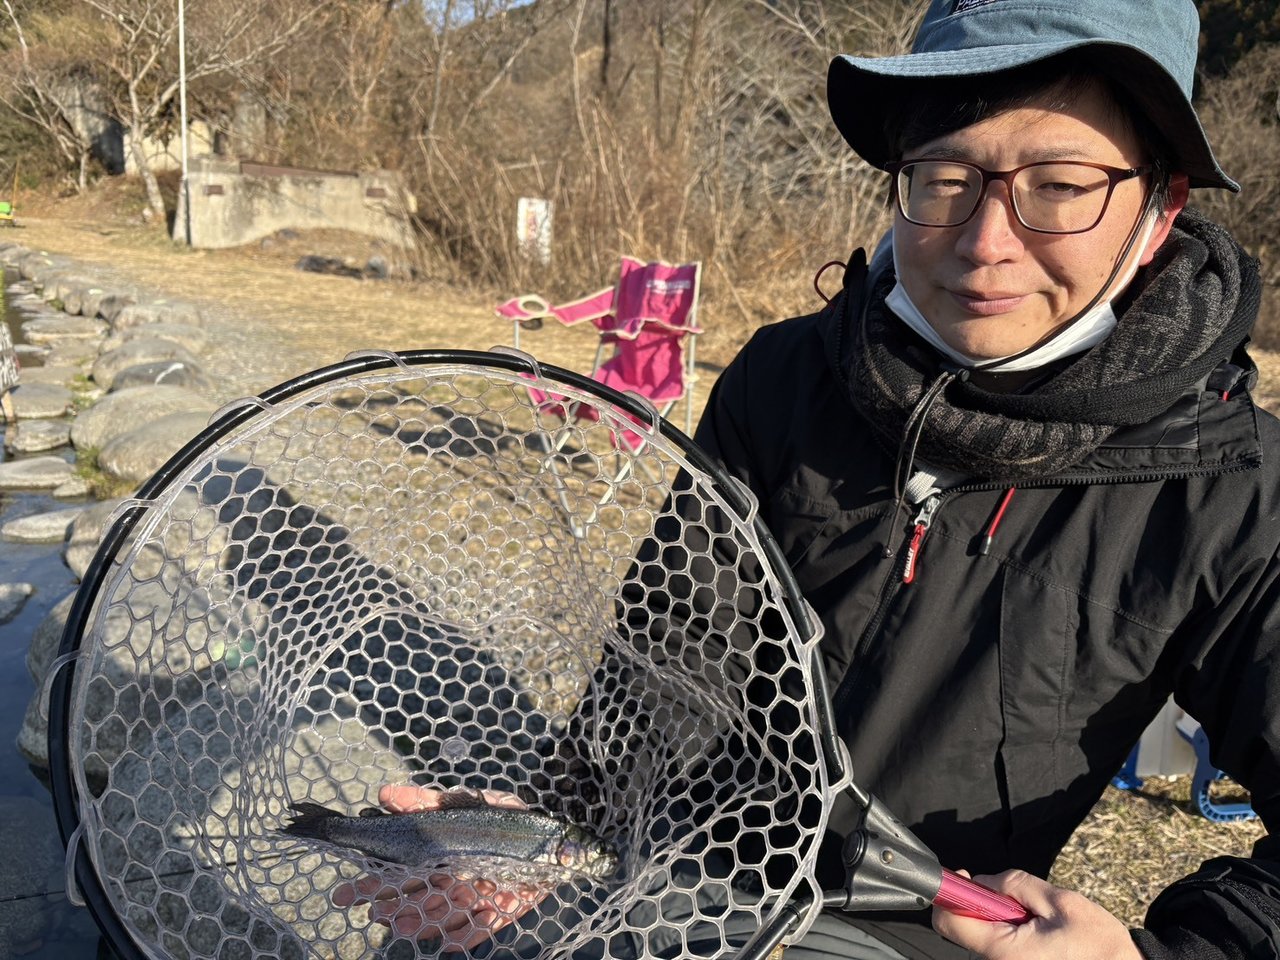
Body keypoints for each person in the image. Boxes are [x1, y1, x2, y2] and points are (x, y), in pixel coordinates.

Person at [343, 1, 1280, 957]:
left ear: (1161, 207)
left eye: (1062, 186)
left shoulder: (1235, 491)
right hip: (659, 886)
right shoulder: (784, 377)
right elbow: (670, 663)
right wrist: (564, 824)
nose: (986, 242)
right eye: (944, 178)